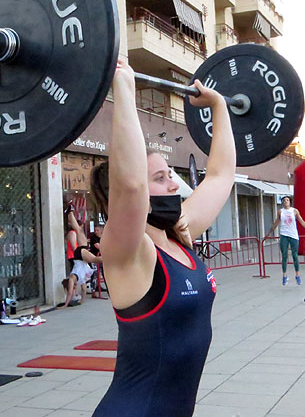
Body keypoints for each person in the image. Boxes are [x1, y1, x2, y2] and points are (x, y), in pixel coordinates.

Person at [90, 58, 235, 417]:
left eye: (170, 174)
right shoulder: (130, 251)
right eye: (160, 178)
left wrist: (219, 107)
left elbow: (220, 176)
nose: (173, 184)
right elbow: (131, 185)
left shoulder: (179, 235)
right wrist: (123, 87)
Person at [265, 195, 305, 285]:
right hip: (284, 235)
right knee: (284, 256)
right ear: (282, 202)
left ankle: (297, 275)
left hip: (293, 235)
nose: (286, 201)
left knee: (295, 256)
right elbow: (276, 223)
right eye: (284, 200)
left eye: (287, 200)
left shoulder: (294, 211)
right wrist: (268, 233)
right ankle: (284, 276)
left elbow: (302, 222)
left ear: (290, 202)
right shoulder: (280, 212)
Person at [59, 210, 102, 308]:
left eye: (73, 286)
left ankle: (70, 213)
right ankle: (70, 212)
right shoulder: (81, 279)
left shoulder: (73, 278)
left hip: (79, 255)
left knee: (96, 259)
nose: (74, 287)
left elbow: (70, 293)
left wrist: (65, 304)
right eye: (74, 286)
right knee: (79, 230)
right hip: (81, 255)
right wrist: (82, 301)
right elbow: (83, 290)